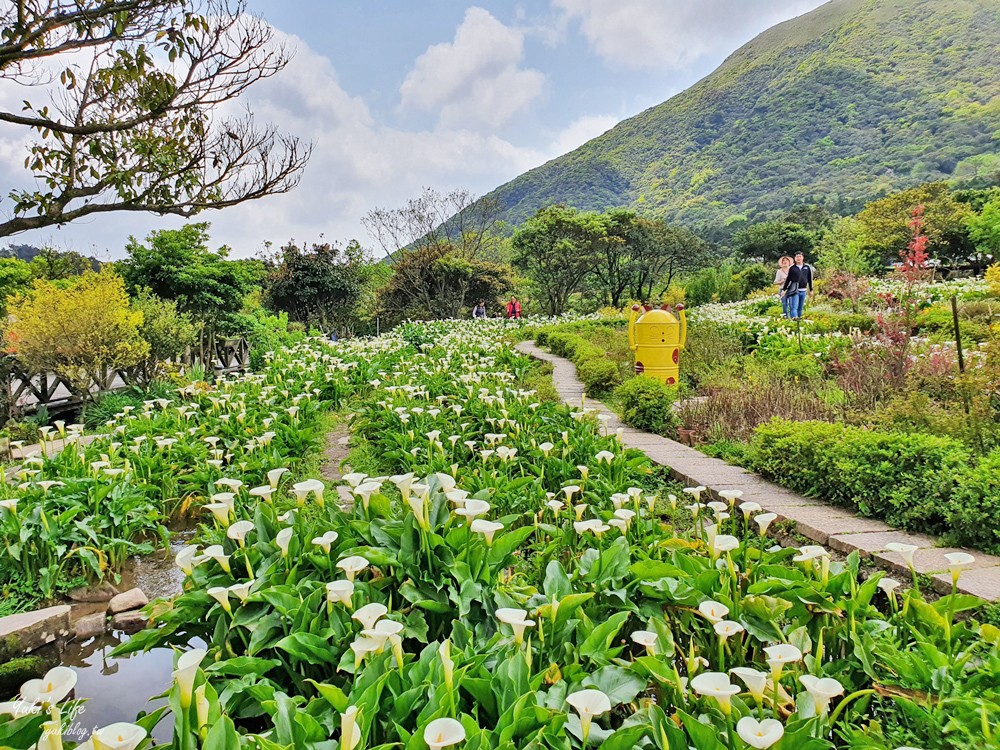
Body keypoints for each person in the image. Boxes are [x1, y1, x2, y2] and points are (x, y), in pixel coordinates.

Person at [782, 253, 814, 320]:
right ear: (795, 258)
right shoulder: (792, 268)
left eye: (800, 256)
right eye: (797, 257)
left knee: (800, 307)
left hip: (803, 290)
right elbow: (788, 279)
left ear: (803, 258)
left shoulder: (807, 267)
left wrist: (811, 289)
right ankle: (795, 320)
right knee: (794, 307)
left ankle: (799, 322)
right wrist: (784, 289)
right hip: (795, 290)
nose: (798, 258)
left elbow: (809, 279)